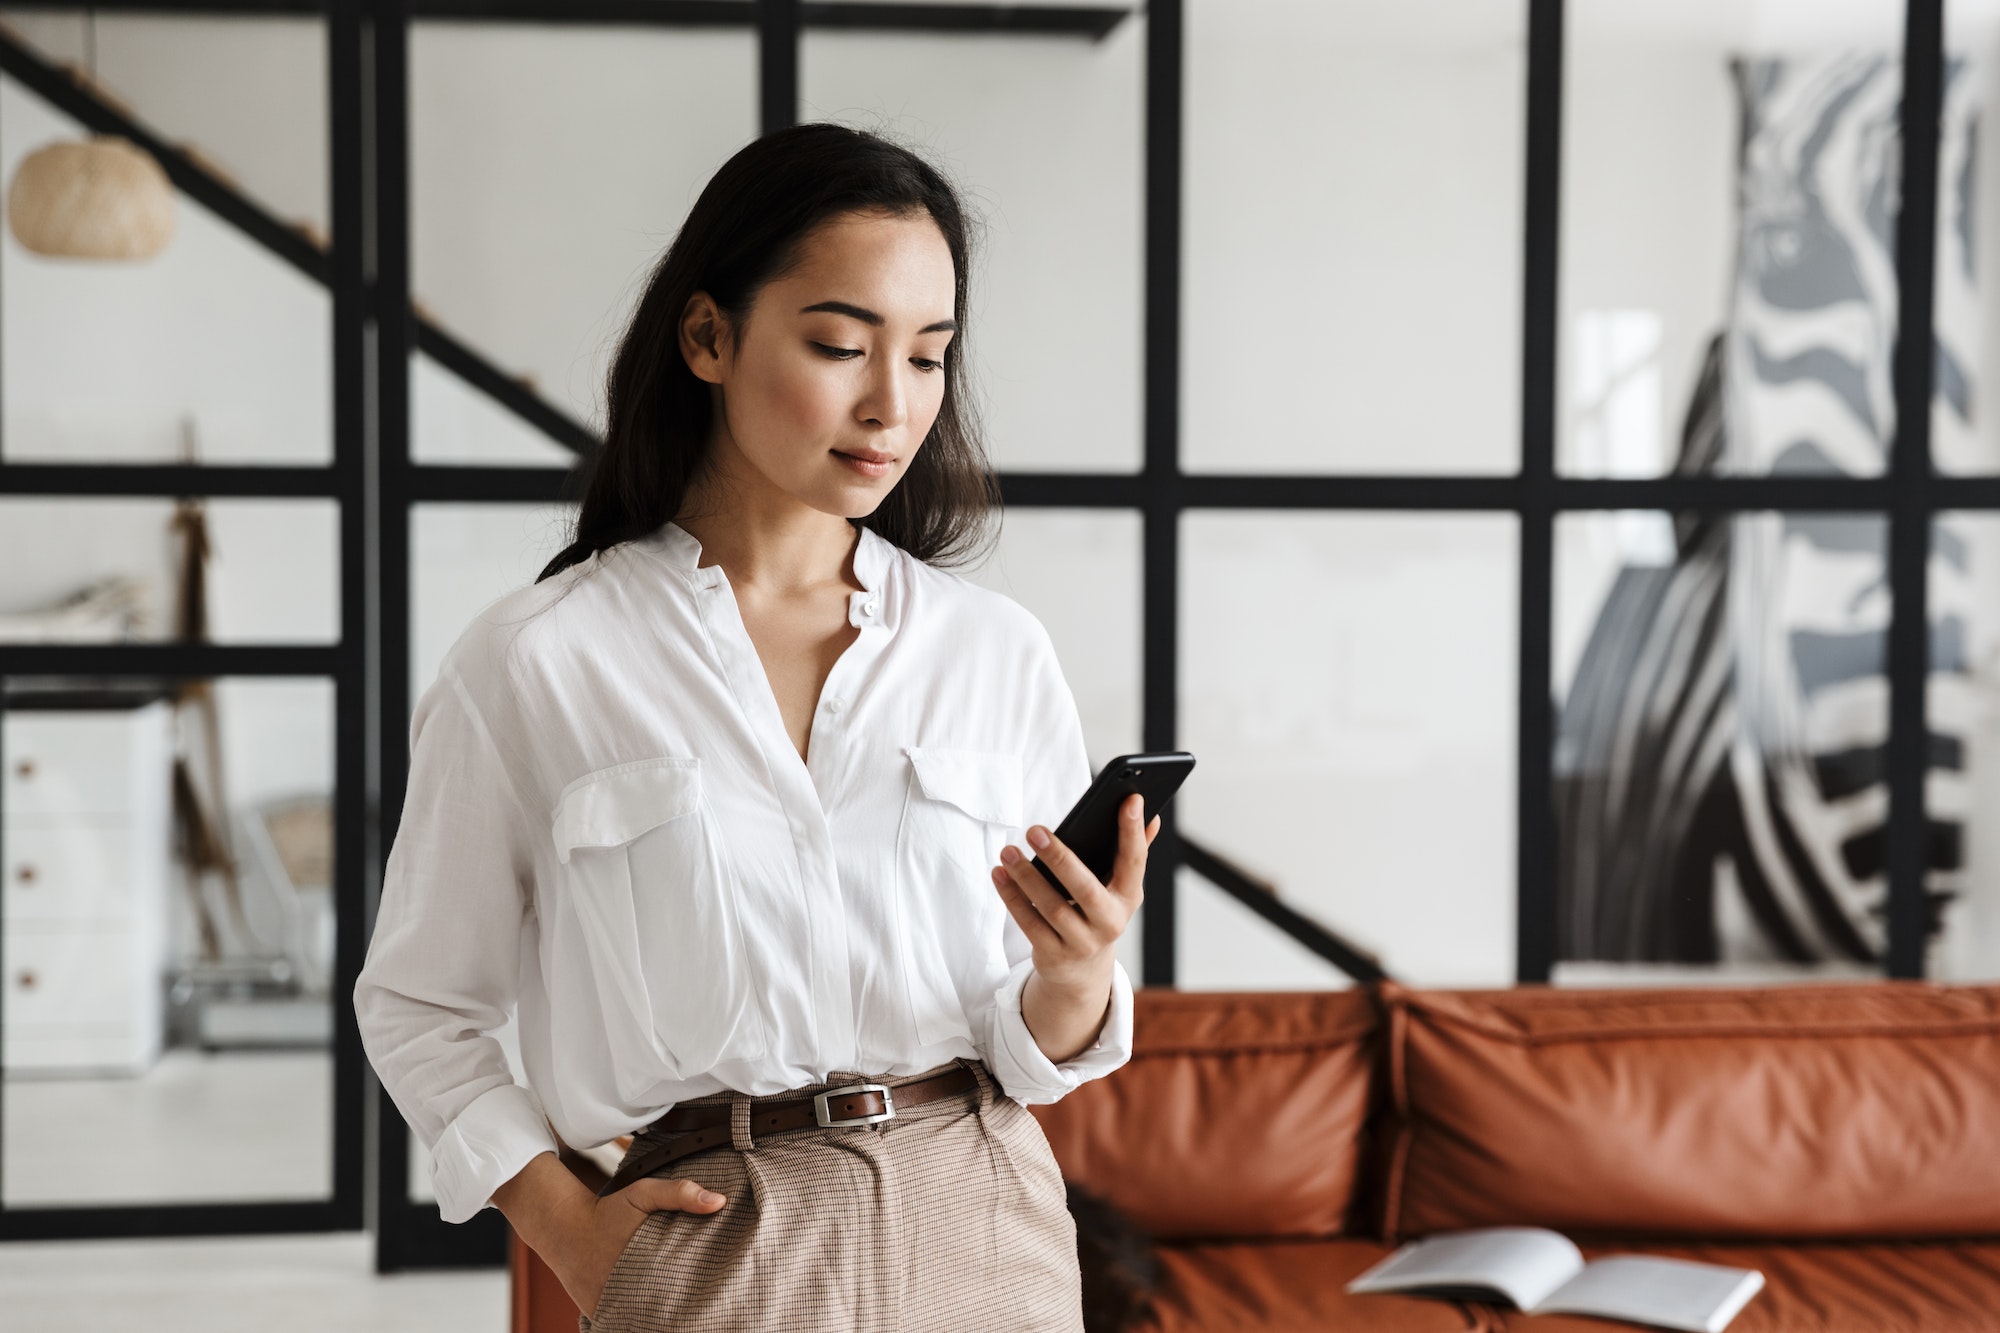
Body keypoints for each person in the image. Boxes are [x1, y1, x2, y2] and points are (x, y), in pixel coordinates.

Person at [352, 122, 1152, 1332]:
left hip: (987, 1220)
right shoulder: (538, 661)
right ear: (707, 336)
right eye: (839, 345)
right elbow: (418, 1004)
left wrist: (1078, 972)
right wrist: (568, 1228)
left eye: (929, 358)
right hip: (720, 1238)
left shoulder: (992, 653)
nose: (892, 403)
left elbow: (1028, 1042)